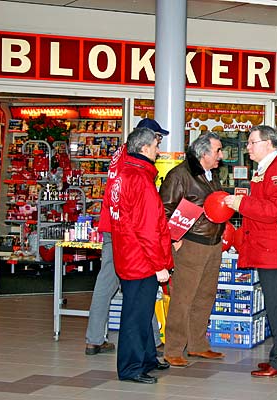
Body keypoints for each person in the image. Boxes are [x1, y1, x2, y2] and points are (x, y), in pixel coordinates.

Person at [85, 118, 168, 356]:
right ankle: (96, 338)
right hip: (124, 231)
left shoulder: (120, 154)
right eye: (157, 139)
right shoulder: (133, 162)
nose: (159, 144)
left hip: (115, 225)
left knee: (135, 286)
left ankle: (148, 339)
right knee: (134, 284)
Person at [224, 125, 277, 377]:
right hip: (269, 249)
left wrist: (241, 203)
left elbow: (275, 209)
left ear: (268, 143)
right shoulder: (267, 168)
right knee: (276, 306)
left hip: (276, 251)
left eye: (252, 142)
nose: (248, 147)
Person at [110, 126, 174, 384]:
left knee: (142, 311)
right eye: (157, 146)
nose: (159, 151)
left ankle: (147, 358)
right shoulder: (141, 180)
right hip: (141, 260)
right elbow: (148, 229)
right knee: (135, 316)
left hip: (127, 254)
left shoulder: (122, 175)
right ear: (146, 148)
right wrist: (159, 264)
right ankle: (131, 367)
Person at [159, 132, 226, 367]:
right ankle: (173, 348)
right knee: (183, 298)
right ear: (203, 153)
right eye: (217, 151)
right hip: (190, 245)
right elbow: (164, 209)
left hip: (213, 243)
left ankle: (198, 345)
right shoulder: (179, 175)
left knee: (205, 296)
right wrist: (173, 239)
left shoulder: (212, 174)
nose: (221, 155)